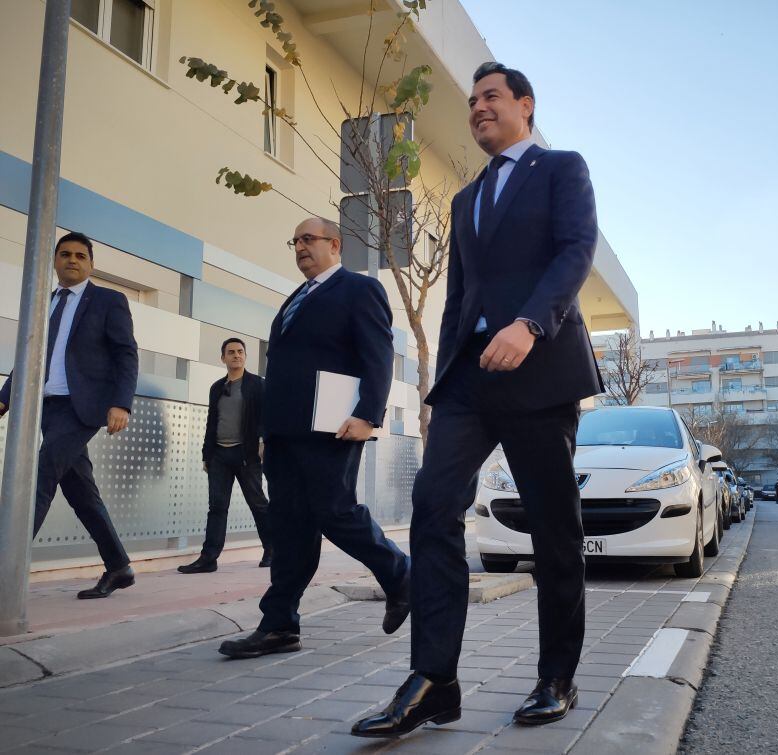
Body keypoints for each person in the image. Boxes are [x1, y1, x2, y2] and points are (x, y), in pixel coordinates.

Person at [352, 61, 603, 738]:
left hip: (539, 366)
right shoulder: (466, 200)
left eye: (491, 96)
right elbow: (458, 296)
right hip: (470, 378)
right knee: (433, 505)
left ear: (526, 104)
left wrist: (530, 324)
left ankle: (557, 675)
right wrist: (442, 385)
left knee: (553, 528)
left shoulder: (560, 168)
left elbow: (576, 249)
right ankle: (435, 678)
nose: (477, 107)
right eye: (472, 100)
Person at [218, 218, 410, 659]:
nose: (301, 247)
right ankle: (280, 624)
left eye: (309, 239)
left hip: (332, 427)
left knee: (336, 512)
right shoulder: (294, 299)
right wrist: (268, 431)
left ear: (335, 245)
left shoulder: (359, 290)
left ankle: (401, 573)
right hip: (285, 433)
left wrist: (368, 415)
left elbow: (378, 354)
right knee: (289, 528)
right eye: (296, 241)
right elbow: (283, 369)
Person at [0, 231, 138, 599]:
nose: (72, 260)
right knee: (81, 493)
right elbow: (28, 356)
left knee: (39, 476)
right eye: (65, 254)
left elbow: (126, 353)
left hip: (83, 408)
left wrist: (121, 402)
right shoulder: (42, 303)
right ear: (56, 261)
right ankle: (119, 566)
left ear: (91, 264)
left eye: (80, 255)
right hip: (46, 407)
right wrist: (4, 398)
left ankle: (3, 570)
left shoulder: (108, 300)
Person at [178, 338, 272, 574]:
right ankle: (208, 558)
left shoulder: (257, 385)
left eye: (240, 352)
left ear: (245, 357)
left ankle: (273, 549)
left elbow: (266, 416)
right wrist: (206, 454)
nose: (236, 356)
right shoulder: (216, 387)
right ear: (223, 358)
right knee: (217, 507)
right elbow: (212, 421)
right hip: (219, 454)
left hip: (246, 453)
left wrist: (262, 441)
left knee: (258, 504)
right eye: (231, 352)